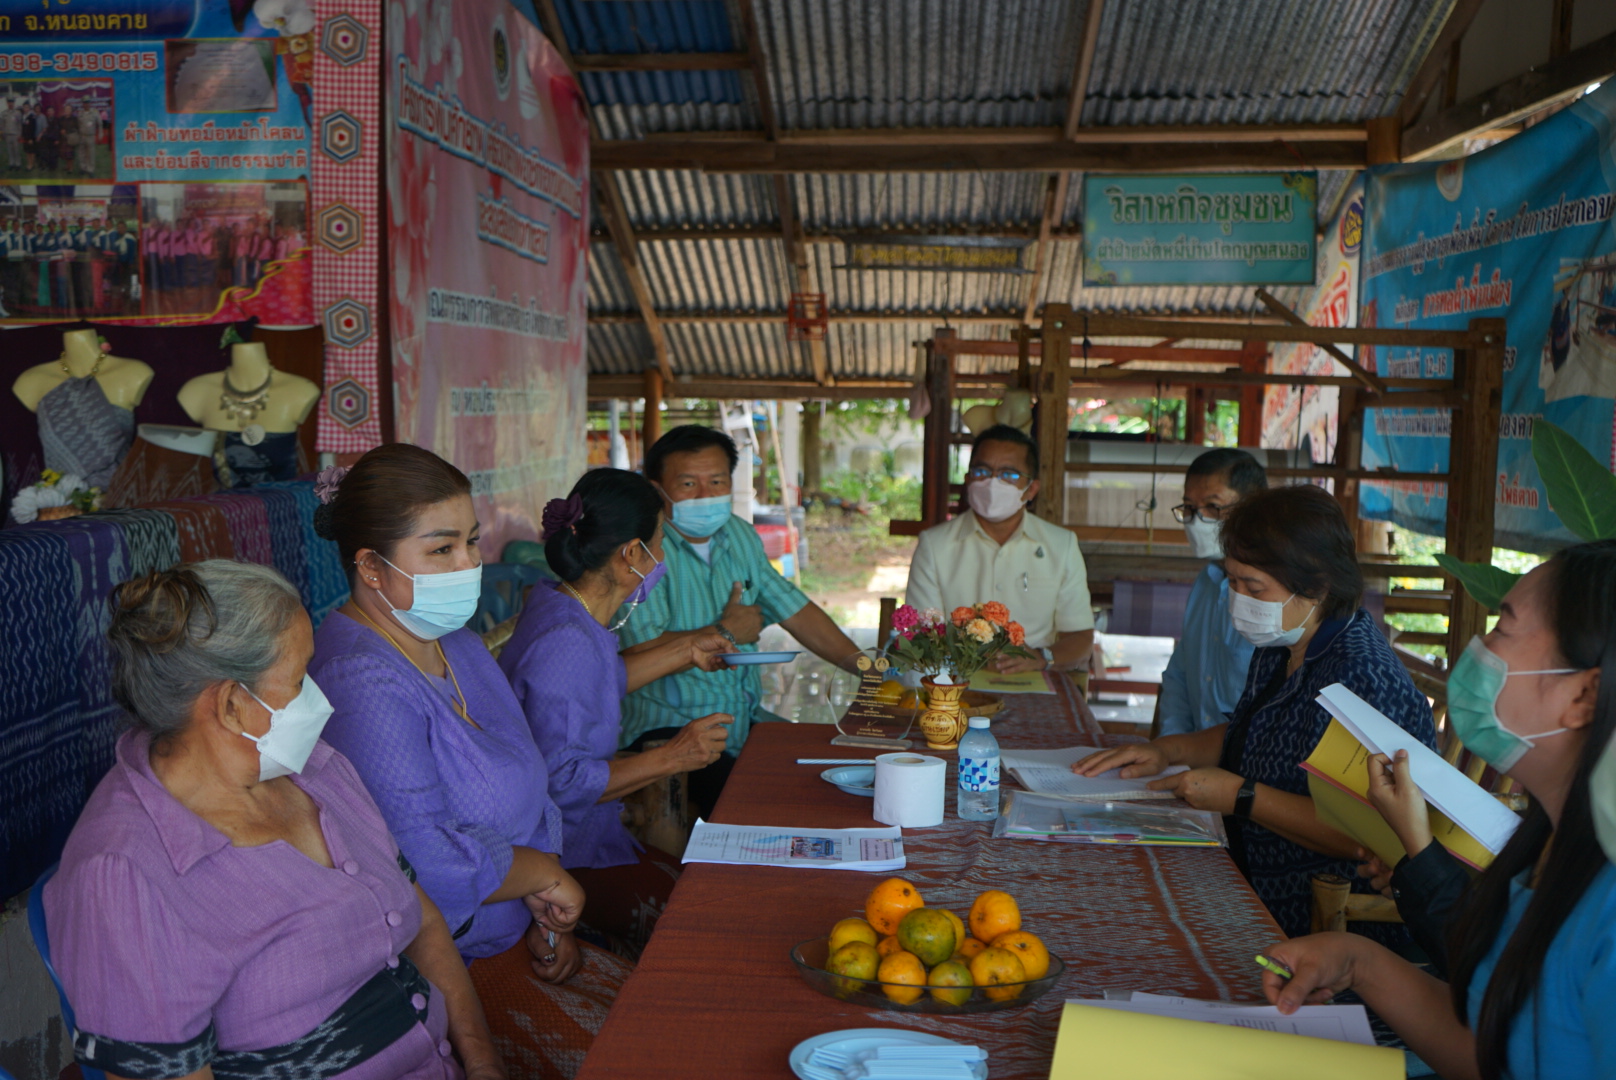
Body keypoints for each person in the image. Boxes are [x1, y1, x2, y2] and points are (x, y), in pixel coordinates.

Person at [43, 561, 505, 1080]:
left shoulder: (318, 770)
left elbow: (422, 921)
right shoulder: (122, 874)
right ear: (233, 705)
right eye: (298, 676)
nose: (319, 697)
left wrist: (481, 1059)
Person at [307, 446, 631, 1080]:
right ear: (370, 566)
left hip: (521, 934)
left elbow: (526, 785)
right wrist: (542, 875)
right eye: (440, 549)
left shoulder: (453, 642)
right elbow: (420, 862)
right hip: (444, 973)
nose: (467, 565)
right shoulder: (359, 681)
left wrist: (543, 904)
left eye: (472, 543)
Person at [1261, 542, 1616, 1080]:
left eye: (1503, 627)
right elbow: (1495, 1052)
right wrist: (1358, 961)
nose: (1478, 647)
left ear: (1585, 696)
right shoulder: (1549, 848)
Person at [1074, 484, 1436, 941]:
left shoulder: (1358, 677)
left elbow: (1365, 832)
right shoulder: (1285, 642)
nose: (1237, 597)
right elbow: (1250, 732)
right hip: (1245, 867)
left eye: (1254, 586)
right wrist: (1168, 750)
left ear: (1318, 585)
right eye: (1232, 580)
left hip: (1321, 914)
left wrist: (1242, 796)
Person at [499, 469, 731, 952]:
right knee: (704, 921)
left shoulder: (568, 609)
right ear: (632, 554)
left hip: (589, 840)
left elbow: (598, 682)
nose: (663, 557)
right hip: (562, 857)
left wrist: (685, 650)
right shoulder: (566, 640)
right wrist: (675, 755)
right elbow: (562, 784)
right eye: (659, 542)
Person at [618, 425, 864, 810]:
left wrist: (870, 669)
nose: (705, 495)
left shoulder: (739, 534)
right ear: (657, 489)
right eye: (687, 484)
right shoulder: (644, 549)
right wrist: (724, 631)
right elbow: (640, 651)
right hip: (669, 734)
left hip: (743, 719)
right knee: (766, 804)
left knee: (835, 772)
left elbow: (795, 609)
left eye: (716, 481)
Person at [906, 423, 1094, 674]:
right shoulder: (934, 546)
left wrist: (1040, 658)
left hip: (1034, 681)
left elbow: (1081, 637)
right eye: (982, 471)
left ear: (1031, 489)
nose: (993, 483)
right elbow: (922, 634)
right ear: (968, 479)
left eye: (1010, 474)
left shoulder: (1061, 545)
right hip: (954, 682)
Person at [1156, 448, 1268, 735]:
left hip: (1251, 764)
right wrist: (1173, 747)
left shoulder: (1273, 593)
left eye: (1213, 508)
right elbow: (1179, 676)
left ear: (1252, 507)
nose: (1196, 520)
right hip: (1192, 761)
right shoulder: (1205, 584)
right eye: (1190, 508)